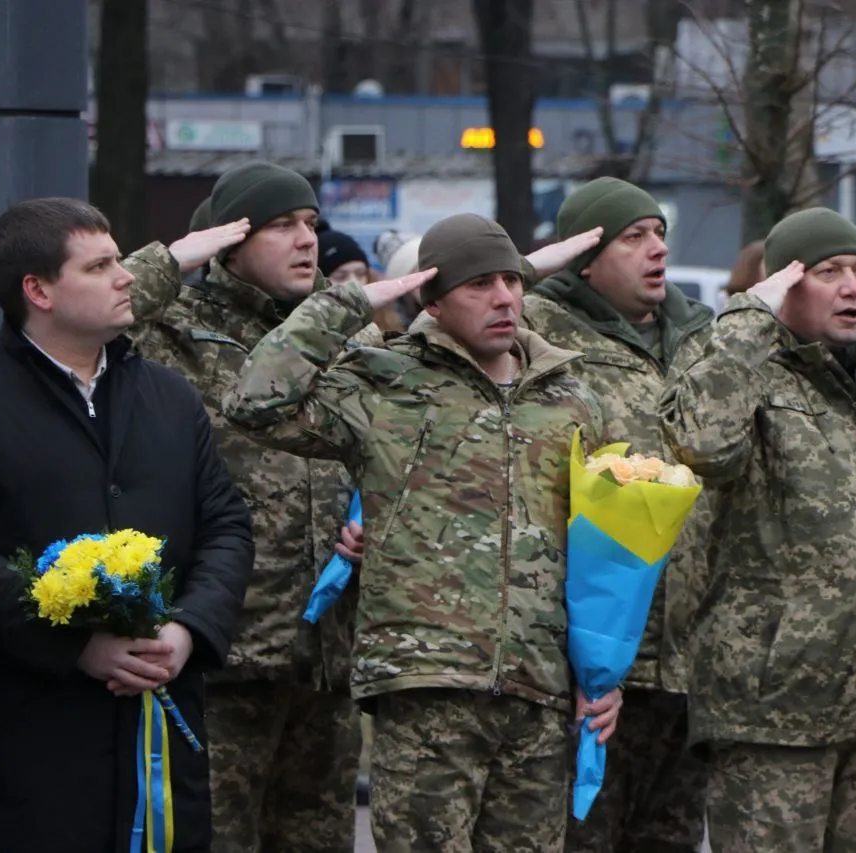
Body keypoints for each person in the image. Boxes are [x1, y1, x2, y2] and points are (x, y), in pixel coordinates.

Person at [223, 212, 624, 852]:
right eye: (479, 285)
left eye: (512, 282)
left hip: (539, 691)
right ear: (432, 301)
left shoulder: (572, 396)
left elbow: (604, 550)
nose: (504, 298)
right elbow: (254, 401)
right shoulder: (386, 383)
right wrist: (349, 301)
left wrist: (604, 675)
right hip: (426, 685)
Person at [659, 207, 856, 852]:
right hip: (770, 713)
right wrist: (751, 314)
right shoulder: (738, 379)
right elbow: (703, 447)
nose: (852, 286)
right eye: (828, 272)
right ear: (785, 284)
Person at [0, 197, 254, 852]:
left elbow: (226, 525)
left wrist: (186, 631)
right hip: (26, 736)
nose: (127, 276)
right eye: (99, 266)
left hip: (164, 721)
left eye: (119, 260)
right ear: (37, 290)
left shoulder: (169, 396)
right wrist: (74, 646)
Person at [128, 162, 379, 853]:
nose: (307, 240)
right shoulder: (174, 327)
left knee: (317, 837)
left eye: (311, 224)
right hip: (222, 646)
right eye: (282, 225)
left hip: (327, 650)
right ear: (230, 240)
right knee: (213, 837)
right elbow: (100, 315)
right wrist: (173, 260)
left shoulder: (345, 331)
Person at [523, 176, 714, 853]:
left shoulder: (701, 338)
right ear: (584, 256)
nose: (656, 247)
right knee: (582, 834)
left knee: (670, 837)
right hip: (588, 659)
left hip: (687, 659)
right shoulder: (533, 331)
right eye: (633, 237)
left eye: (659, 232)